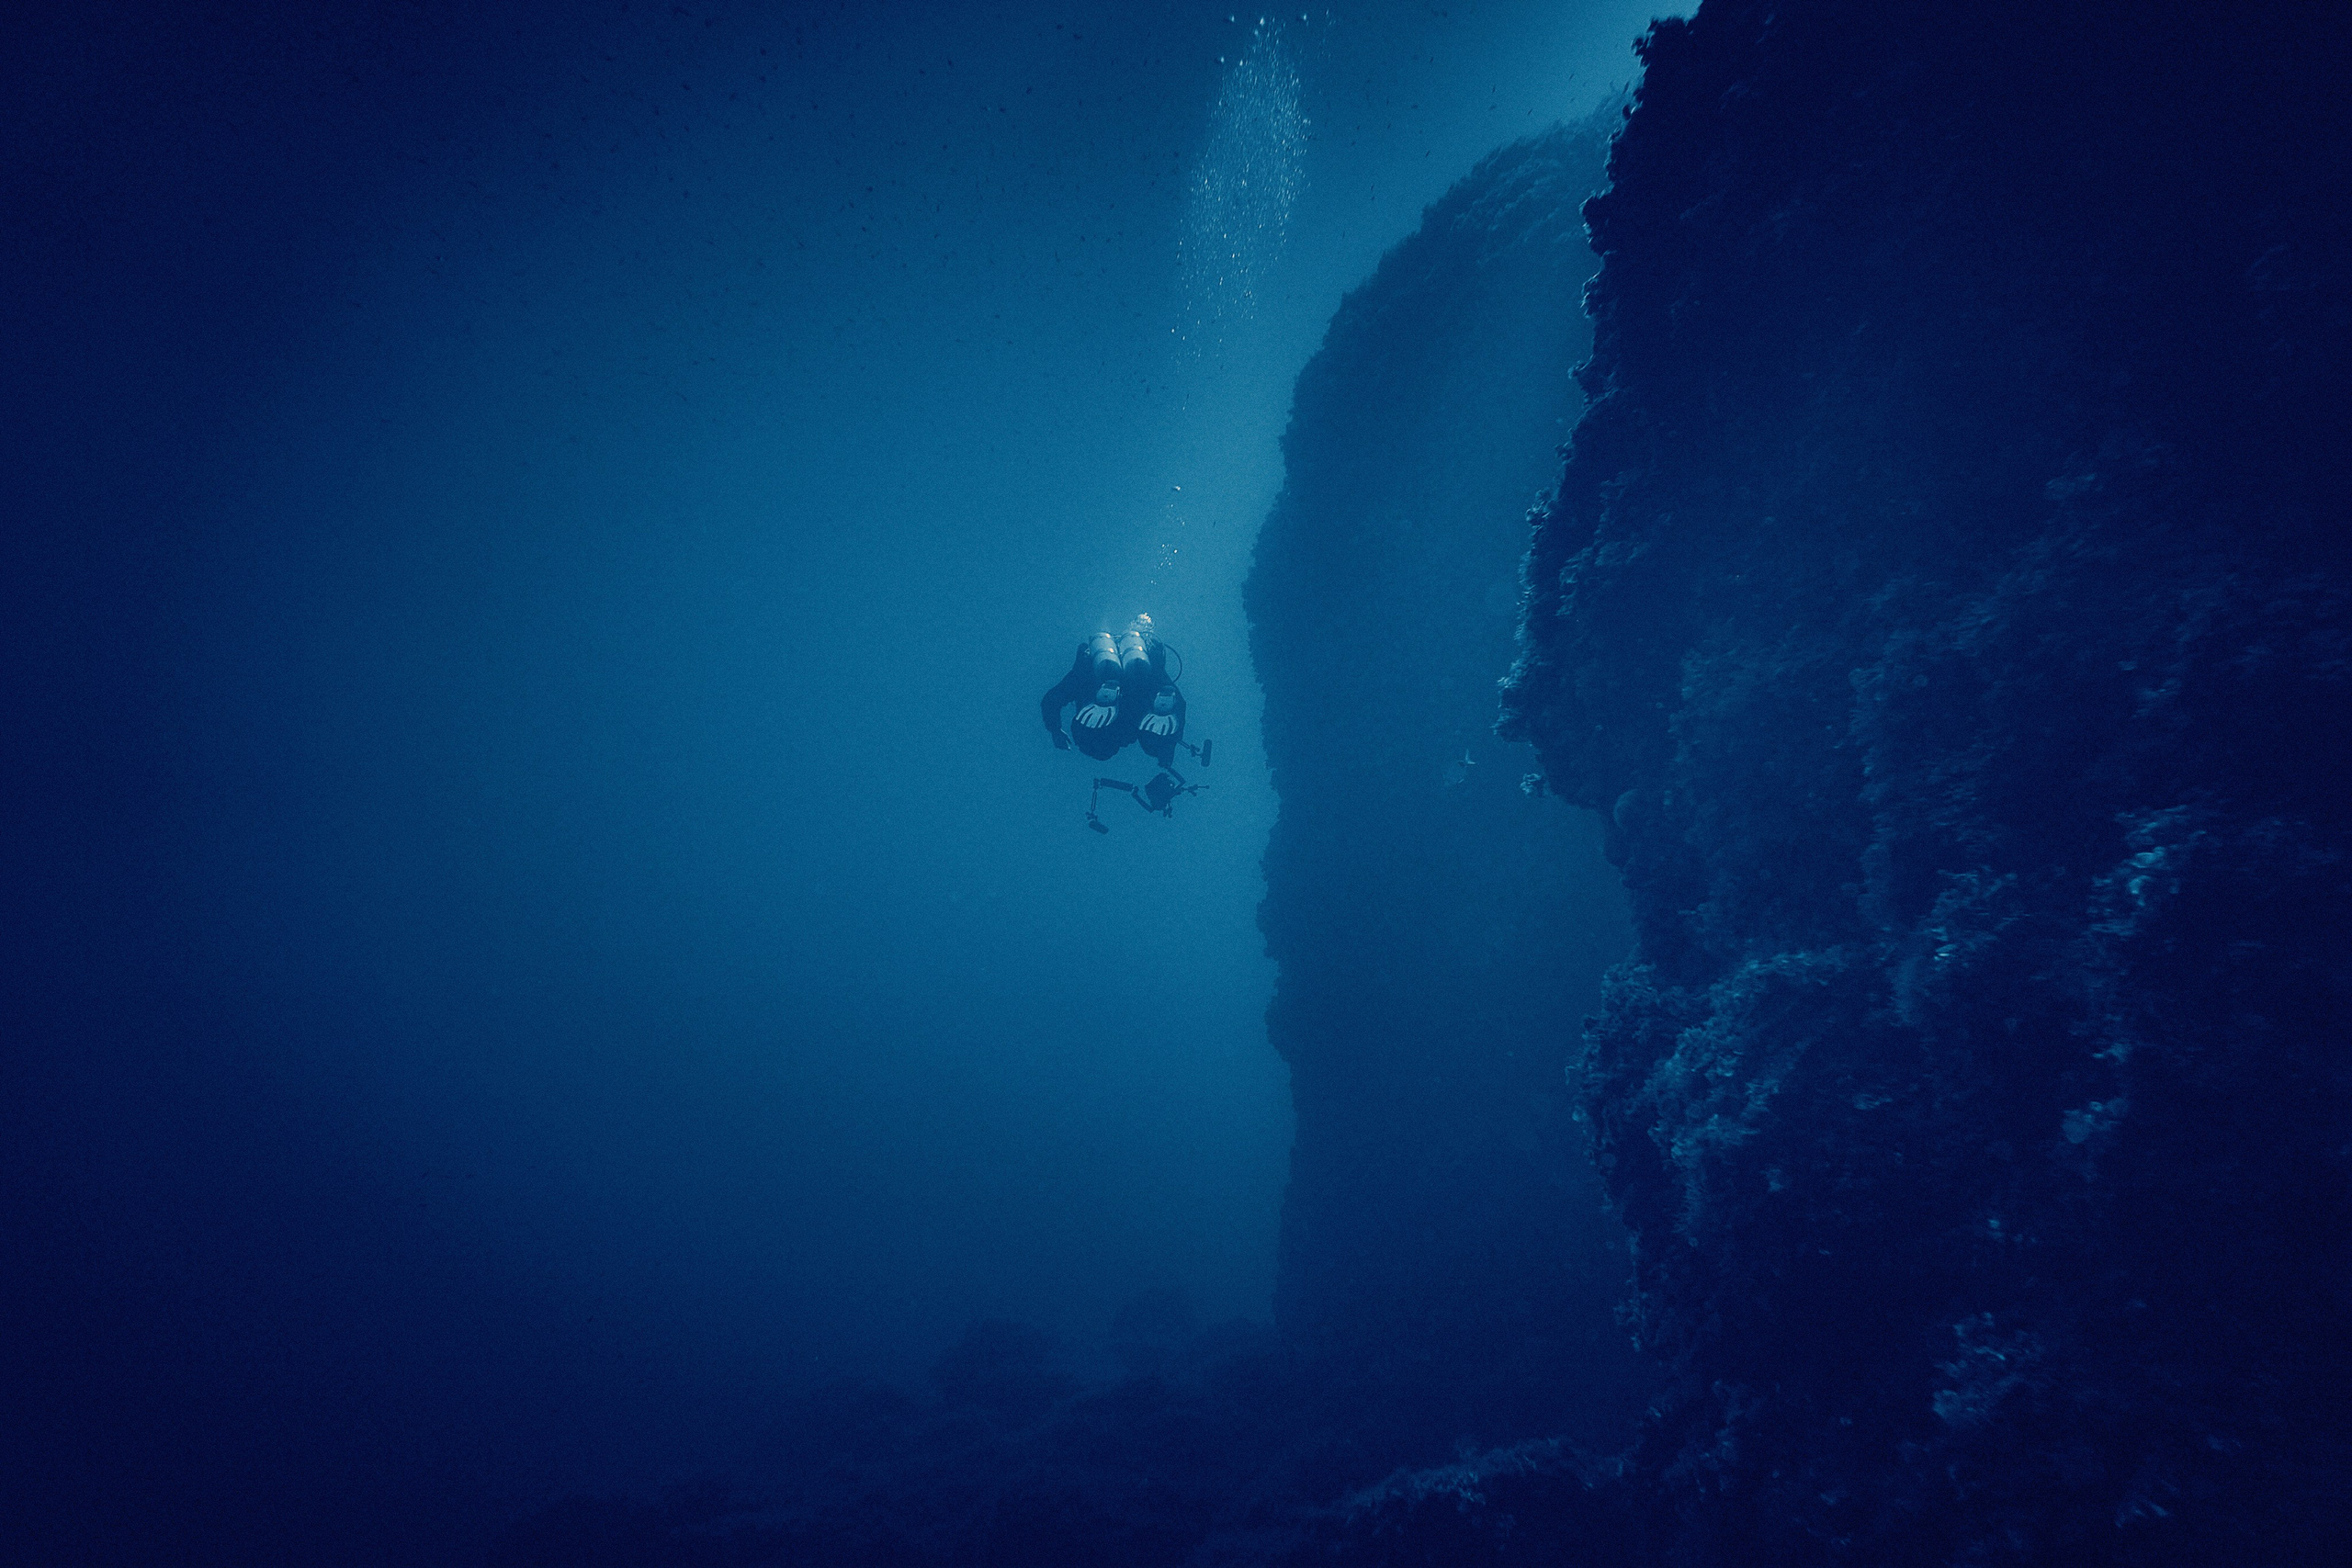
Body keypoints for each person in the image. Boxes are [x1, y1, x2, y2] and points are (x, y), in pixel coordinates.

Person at [1039, 615, 1188, 768]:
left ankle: (1102, 698)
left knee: (1101, 751)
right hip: (1137, 706)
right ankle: (1160, 710)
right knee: (1153, 744)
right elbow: (1180, 704)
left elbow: (1051, 700)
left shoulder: (1087, 670)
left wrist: (1055, 730)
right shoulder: (1149, 669)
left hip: (1114, 721)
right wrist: (1168, 751)